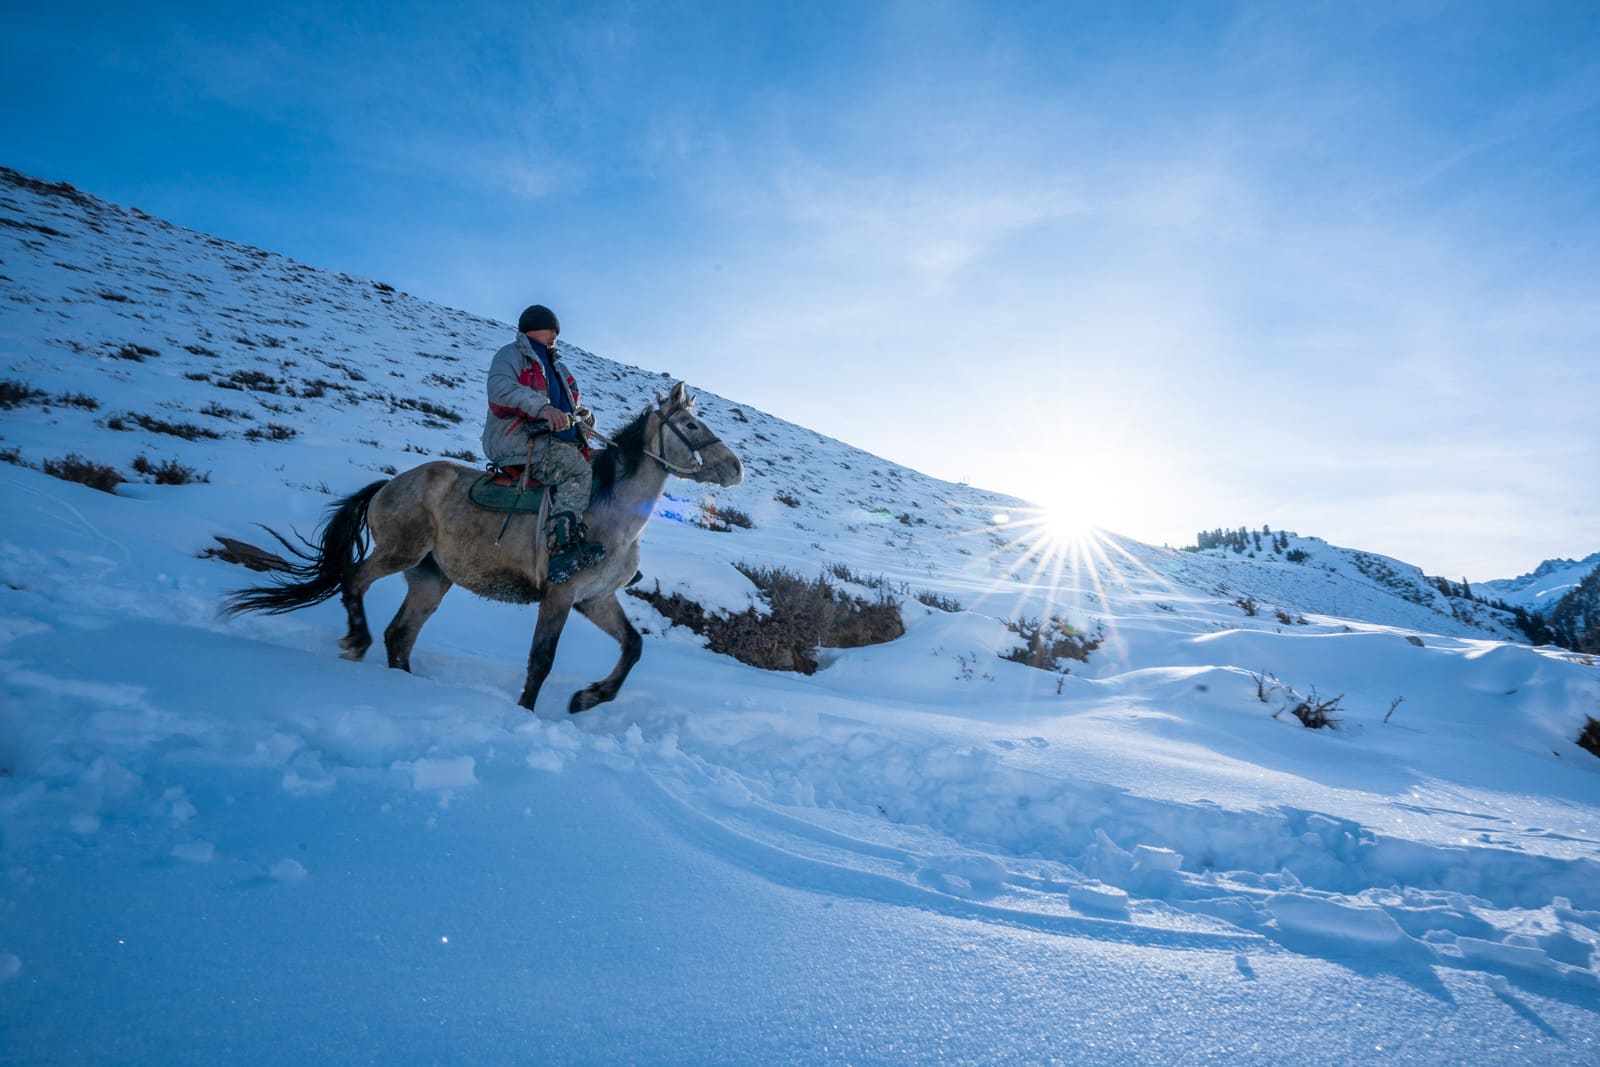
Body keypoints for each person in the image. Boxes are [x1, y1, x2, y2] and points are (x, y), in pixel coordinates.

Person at [481, 304, 605, 583]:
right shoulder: (511, 355)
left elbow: (570, 403)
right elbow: (501, 390)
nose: (555, 335)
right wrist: (543, 409)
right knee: (578, 471)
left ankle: (605, 547)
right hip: (521, 441)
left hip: (561, 443)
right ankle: (559, 552)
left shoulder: (559, 367)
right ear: (535, 328)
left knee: (608, 469)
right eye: (552, 329)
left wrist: (578, 416)